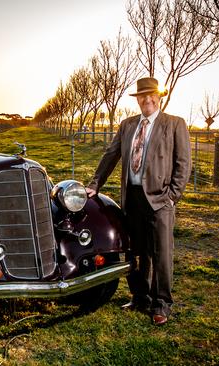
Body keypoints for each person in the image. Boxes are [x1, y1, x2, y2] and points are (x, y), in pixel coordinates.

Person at [85, 77, 191, 326]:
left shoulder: (174, 124)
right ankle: (139, 296)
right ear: (138, 99)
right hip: (132, 198)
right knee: (135, 251)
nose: (147, 99)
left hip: (160, 199)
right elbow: (110, 155)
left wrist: (172, 196)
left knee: (161, 254)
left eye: (152, 95)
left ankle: (161, 304)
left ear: (159, 96)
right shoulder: (127, 125)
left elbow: (183, 164)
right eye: (142, 96)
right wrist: (94, 184)